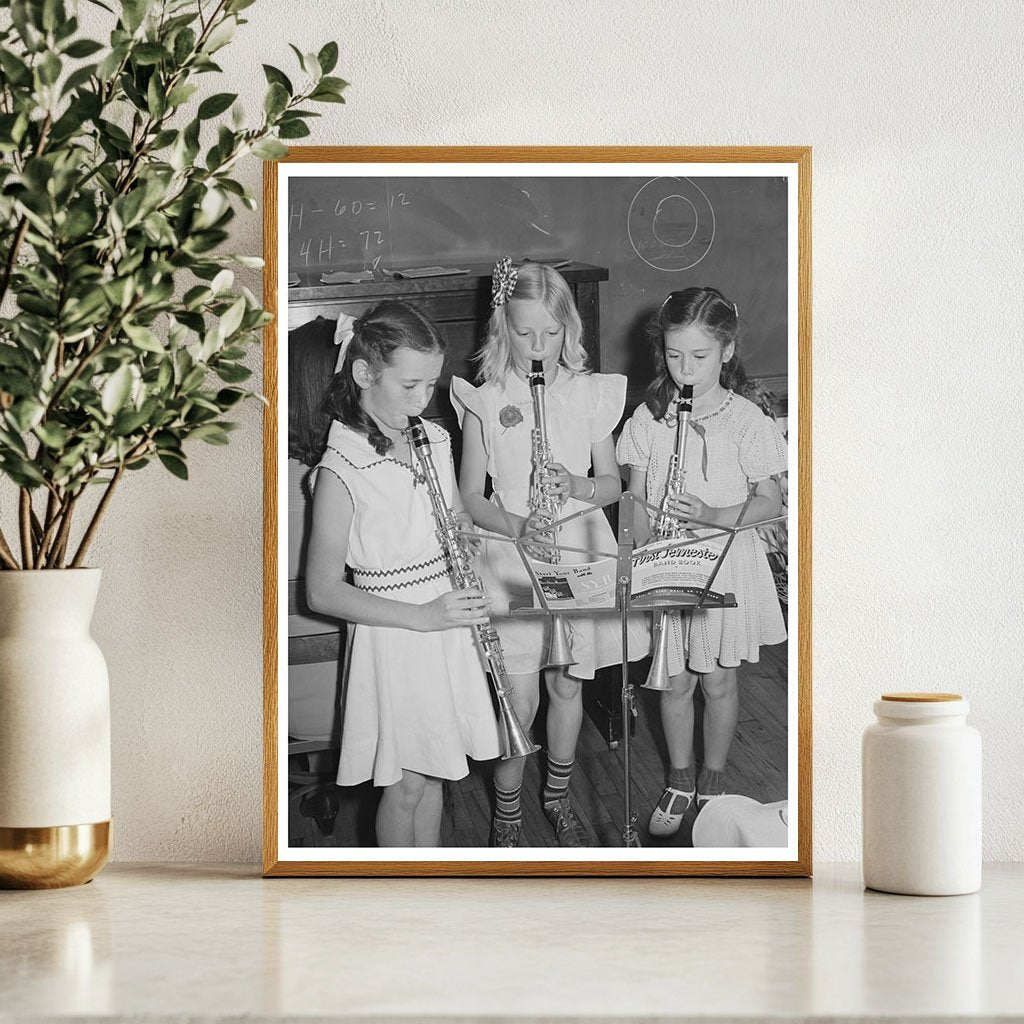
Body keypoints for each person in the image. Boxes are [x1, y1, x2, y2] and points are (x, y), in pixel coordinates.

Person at [451, 259, 649, 848]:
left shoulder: (591, 394)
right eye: (523, 333)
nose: (538, 347)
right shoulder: (484, 400)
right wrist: (517, 522)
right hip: (514, 550)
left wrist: (578, 485)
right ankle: (507, 810)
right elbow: (468, 496)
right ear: (501, 328)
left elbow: (614, 482)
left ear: (570, 330)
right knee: (520, 691)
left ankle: (556, 796)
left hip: (580, 544)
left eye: (551, 333)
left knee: (568, 682)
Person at [304, 299, 500, 848]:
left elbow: (457, 520)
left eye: (431, 387)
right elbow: (322, 590)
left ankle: (428, 884)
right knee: (406, 784)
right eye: (409, 386)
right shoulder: (341, 468)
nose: (421, 402)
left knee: (436, 769)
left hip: (443, 621)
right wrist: (422, 616)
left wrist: (469, 544)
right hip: (397, 632)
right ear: (365, 374)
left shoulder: (433, 441)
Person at [616, 287, 787, 839]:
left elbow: (768, 500)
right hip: (671, 565)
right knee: (674, 682)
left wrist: (714, 513)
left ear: (727, 352)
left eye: (700, 357)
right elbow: (635, 499)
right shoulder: (650, 417)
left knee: (717, 681)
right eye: (673, 356)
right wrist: (646, 555)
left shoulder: (746, 421)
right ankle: (681, 776)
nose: (685, 370)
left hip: (726, 564)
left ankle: (712, 778)